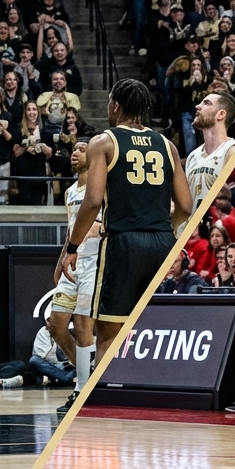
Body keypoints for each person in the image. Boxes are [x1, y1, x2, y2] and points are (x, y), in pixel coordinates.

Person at [59, 79, 192, 358]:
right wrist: (167, 228)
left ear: (116, 105)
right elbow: (185, 205)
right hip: (162, 241)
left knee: (108, 333)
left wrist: (72, 247)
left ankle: (107, 397)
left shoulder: (104, 142)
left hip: (123, 243)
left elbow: (93, 201)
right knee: (150, 329)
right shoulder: (167, 145)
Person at [50, 140, 101, 417]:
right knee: (56, 325)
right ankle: (88, 372)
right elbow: (72, 230)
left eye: (81, 150)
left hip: (93, 260)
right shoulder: (70, 191)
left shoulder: (103, 187)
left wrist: (99, 228)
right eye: (73, 151)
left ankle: (82, 389)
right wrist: (61, 260)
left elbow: (110, 222)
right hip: (73, 261)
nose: (75, 154)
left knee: (83, 326)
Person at [185, 91, 235, 214]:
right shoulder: (193, 156)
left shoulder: (232, 150)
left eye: (207, 103)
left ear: (220, 114)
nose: (198, 106)